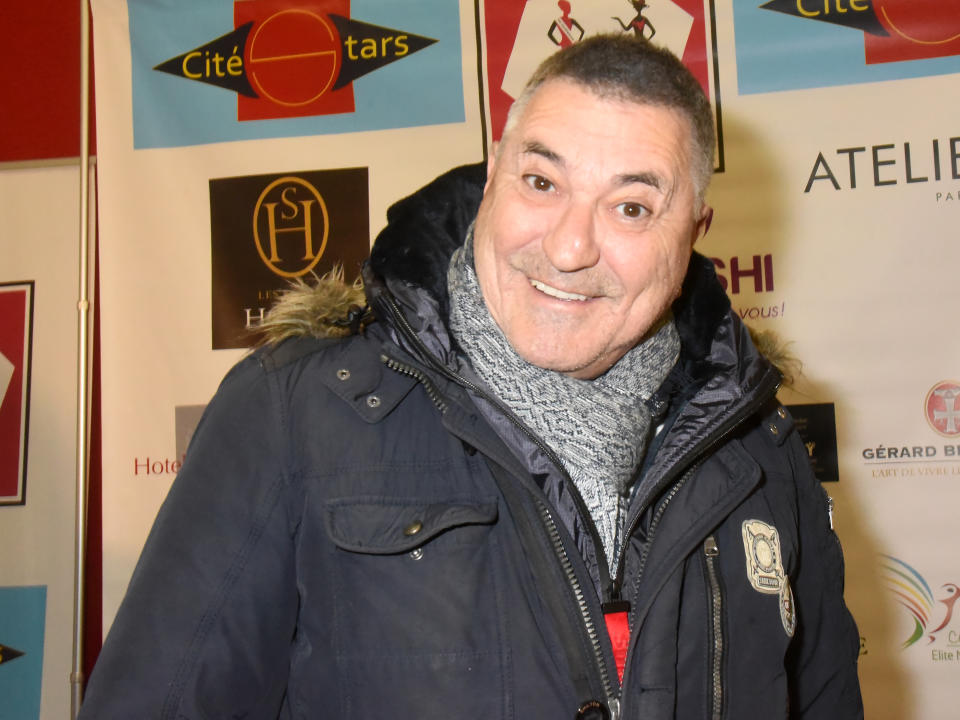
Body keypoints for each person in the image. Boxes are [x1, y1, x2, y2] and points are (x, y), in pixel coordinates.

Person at [80, 35, 862, 719]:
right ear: (492, 178)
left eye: (630, 207)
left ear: (694, 233)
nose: (566, 249)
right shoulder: (294, 411)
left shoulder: (763, 455)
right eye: (541, 182)